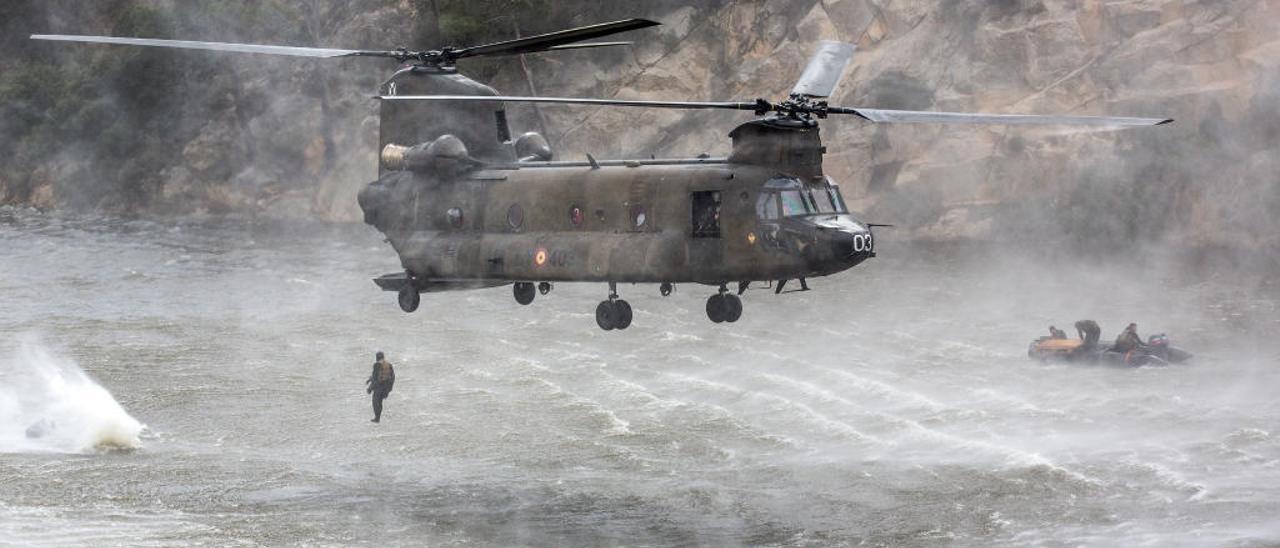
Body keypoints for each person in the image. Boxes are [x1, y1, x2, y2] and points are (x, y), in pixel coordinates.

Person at [365, 351, 396, 423]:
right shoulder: (389, 365)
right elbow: (393, 377)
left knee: (375, 402)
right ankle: (378, 417)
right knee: (380, 402)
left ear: (376, 357)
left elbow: (375, 378)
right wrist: (389, 388)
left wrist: (370, 388)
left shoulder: (376, 365)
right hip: (386, 387)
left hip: (378, 387)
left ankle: (377, 418)